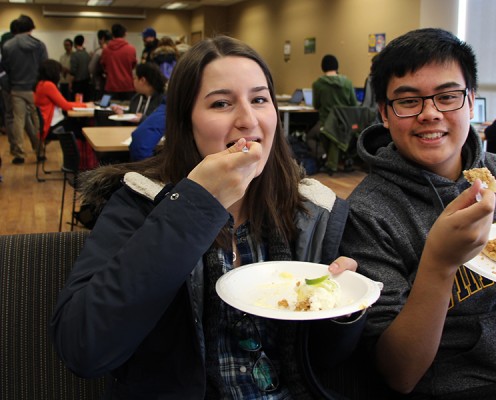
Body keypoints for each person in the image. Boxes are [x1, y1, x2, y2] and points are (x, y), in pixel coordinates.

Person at [50, 35, 365, 399]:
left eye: (260, 99)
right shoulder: (139, 204)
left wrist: (340, 309)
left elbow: (323, 361)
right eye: (221, 103)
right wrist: (196, 204)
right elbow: (83, 349)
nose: (248, 120)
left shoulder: (309, 211)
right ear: (186, 121)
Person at [340, 28, 496, 399]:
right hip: (470, 383)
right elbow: (399, 374)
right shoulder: (369, 212)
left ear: (471, 100)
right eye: (409, 101)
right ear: (384, 112)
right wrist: (440, 263)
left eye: (447, 97)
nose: (430, 114)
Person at [1, 14, 47, 164]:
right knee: (37, 121)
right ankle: (40, 152)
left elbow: (4, 70)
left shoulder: (8, 46)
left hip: (16, 89)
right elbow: (44, 68)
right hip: (35, 90)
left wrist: (8, 87)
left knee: (18, 121)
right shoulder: (39, 45)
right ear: (31, 28)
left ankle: (19, 154)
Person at [311, 54, 357, 173]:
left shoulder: (318, 84)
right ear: (337, 67)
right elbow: (354, 105)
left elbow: (316, 105)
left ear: (323, 67)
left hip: (326, 122)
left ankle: (324, 157)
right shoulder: (348, 83)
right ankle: (345, 158)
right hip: (345, 123)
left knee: (310, 136)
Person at [34, 59, 90, 141]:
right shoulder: (48, 85)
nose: (60, 75)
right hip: (54, 126)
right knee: (85, 129)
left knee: (79, 125)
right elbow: (65, 105)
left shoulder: (40, 84)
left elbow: (62, 103)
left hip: (48, 125)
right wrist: (86, 105)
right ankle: (81, 153)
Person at [101, 23, 137, 101]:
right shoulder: (131, 49)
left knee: (109, 110)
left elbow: (104, 66)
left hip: (111, 86)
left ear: (112, 34)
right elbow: (133, 65)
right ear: (125, 34)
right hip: (127, 86)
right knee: (128, 110)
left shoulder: (106, 50)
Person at [88, 29, 112, 101]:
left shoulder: (99, 51)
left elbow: (91, 68)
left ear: (102, 39)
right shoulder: (114, 51)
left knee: (100, 105)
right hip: (112, 85)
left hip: (99, 84)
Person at [69, 34, 91, 102]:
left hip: (77, 83)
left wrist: (70, 83)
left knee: (77, 102)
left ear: (75, 43)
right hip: (87, 82)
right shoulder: (87, 55)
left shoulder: (74, 55)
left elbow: (73, 71)